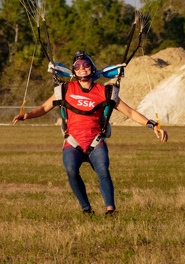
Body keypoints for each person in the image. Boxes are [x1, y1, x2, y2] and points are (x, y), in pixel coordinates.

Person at [13, 50, 167, 215]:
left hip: (95, 140)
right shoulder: (65, 89)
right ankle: (86, 209)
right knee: (71, 170)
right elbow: (44, 108)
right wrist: (26, 116)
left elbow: (129, 112)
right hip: (73, 141)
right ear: (74, 71)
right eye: (77, 66)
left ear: (92, 68)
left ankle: (110, 210)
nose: (82, 68)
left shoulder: (105, 92)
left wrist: (152, 125)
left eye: (85, 64)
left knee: (103, 170)